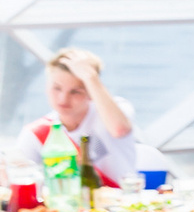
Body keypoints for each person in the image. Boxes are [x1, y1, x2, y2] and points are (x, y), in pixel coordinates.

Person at [11, 48, 141, 185]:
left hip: (121, 202)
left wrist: (91, 77)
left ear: (91, 91)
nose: (63, 99)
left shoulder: (115, 109)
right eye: (57, 88)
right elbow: (18, 178)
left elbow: (119, 129)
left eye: (75, 92)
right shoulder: (35, 132)